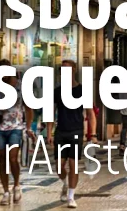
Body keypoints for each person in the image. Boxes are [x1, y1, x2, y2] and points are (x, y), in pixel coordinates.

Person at [48, 59, 97, 209]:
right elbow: (51, 112)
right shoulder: (57, 91)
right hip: (61, 131)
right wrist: (49, 133)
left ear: (74, 70)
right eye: (62, 70)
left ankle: (71, 196)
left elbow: (90, 113)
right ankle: (65, 183)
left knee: (73, 163)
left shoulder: (82, 90)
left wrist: (93, 134)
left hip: (77, 130)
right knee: (59, 166)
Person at [0, 59, 34, 205]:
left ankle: (16, 185)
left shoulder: (20, 86)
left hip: (16, 127)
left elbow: (29, 108)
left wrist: (28, 127)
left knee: (13, 158)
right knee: (2, 159)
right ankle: (5, 191)